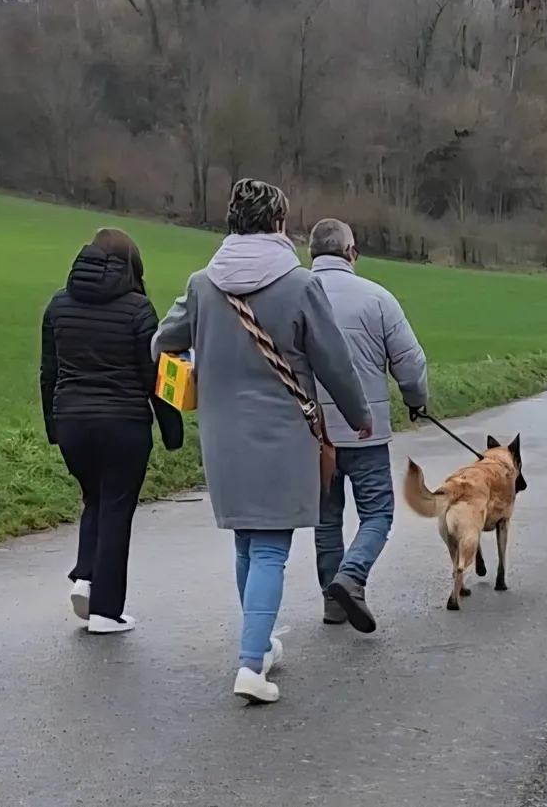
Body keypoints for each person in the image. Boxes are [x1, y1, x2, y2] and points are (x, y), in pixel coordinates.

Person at [152, 180, 372, 704]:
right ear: (278, 224)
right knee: (271, 546)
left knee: (247, 542)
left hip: (222, 438)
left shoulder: (202, 283)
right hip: (283, 436)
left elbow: (162, 341)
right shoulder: (299, 285)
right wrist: (358, 415)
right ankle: (251, 665)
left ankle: (262, 640)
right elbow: (334, 361)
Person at [40, 228, 184, 635]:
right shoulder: (138, 310)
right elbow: (154, 377)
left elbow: (49, 373)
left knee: (95, 498)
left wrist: (54, 427)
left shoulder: (57, 305)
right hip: (124, 425)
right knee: (117, 508)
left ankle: (86, 579)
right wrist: (172, 432)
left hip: (72, 423)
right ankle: (106, 612)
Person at [309, 219, 429, 634]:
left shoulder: (296, 295)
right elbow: (410, 361)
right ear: (351, 253)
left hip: (313, 432)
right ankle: (351, 575)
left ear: (312, 253)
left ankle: (333, 601)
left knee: (326, 518)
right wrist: (416, 400)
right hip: (366, 432)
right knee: (377, 512)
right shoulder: (378, 298)